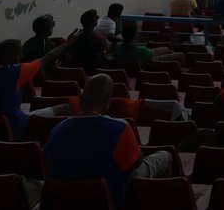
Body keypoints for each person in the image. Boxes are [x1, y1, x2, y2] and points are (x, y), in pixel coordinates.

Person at [45, 74, 172, 208]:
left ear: (81, 99)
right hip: (110, 200)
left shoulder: (55, 132)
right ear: (107, 101)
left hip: (67, 202)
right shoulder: (120, 128)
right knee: (166, 156)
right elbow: (136, 162)